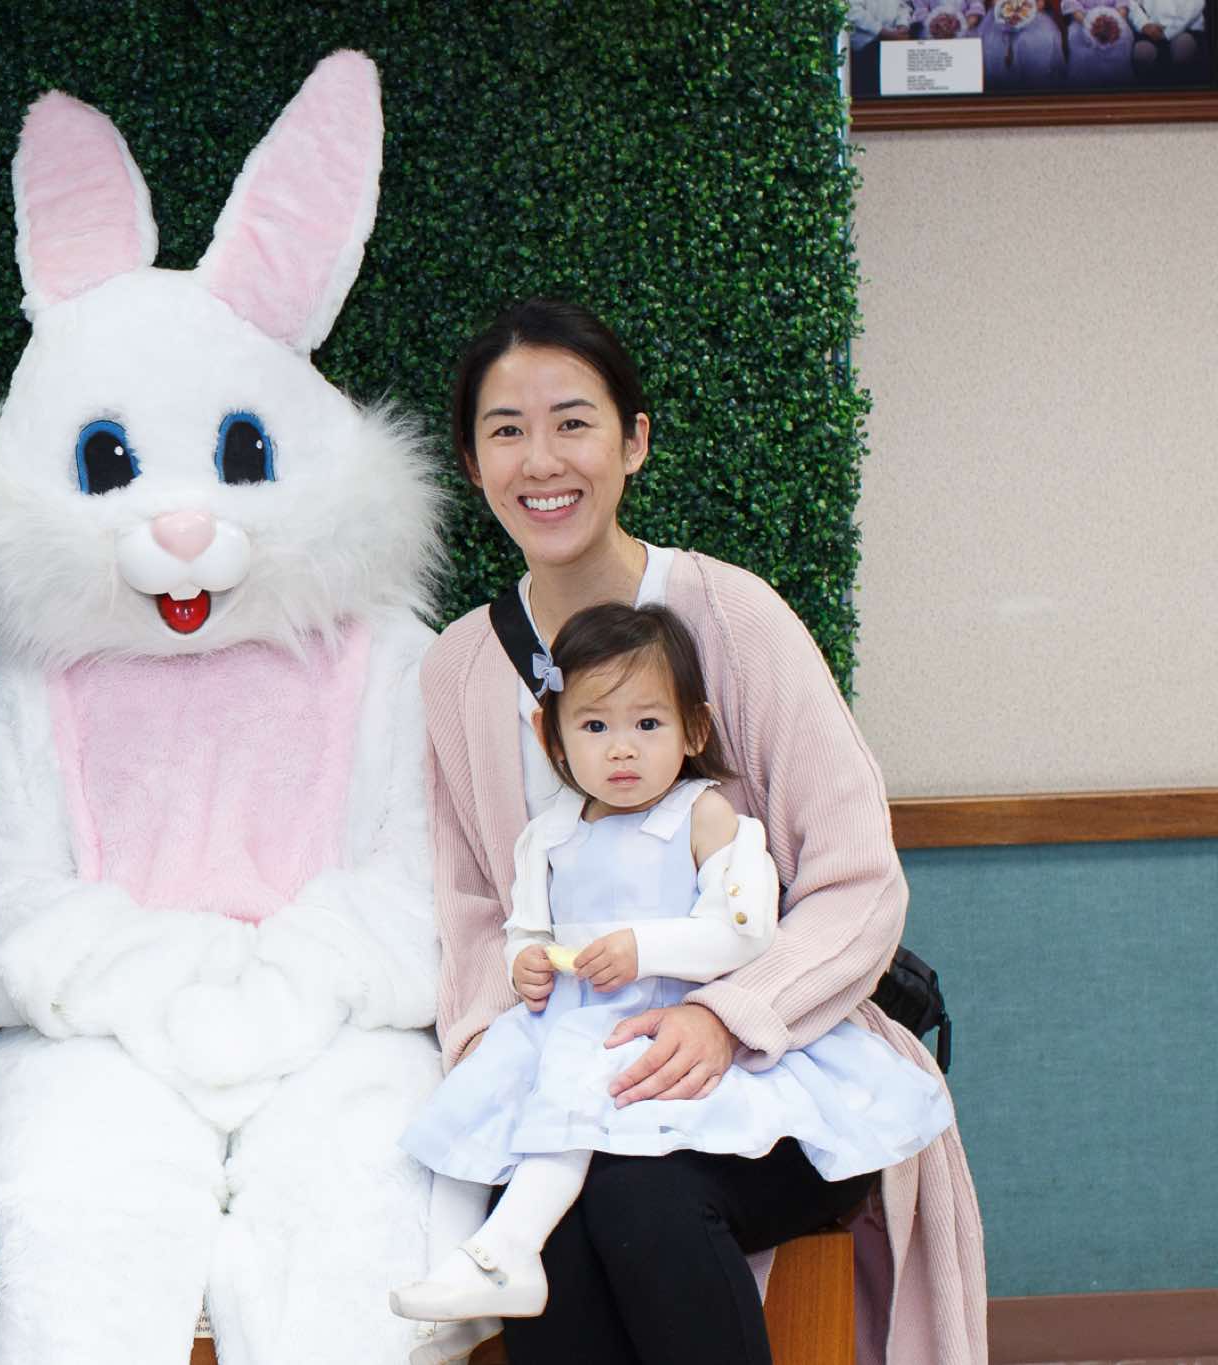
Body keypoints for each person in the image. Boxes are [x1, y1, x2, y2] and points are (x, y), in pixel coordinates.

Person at [421, 298, 986, 1364]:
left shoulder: (731, 616)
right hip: (575, 1070)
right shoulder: (458, 667)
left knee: (636, 1199)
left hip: (767, 1067)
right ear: (472, 462)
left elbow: (858, 881)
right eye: (505, 430)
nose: (540, 460)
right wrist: (502, 1055)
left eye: (572, 422)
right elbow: (472, 905)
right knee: (546, 1220)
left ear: (633, 440)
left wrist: (725, 1017)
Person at [391, 602, 952, 1327]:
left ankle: (504, 1254)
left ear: (695, 729)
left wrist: (644, 949)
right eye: (595, 726)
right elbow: (524, 922)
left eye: (648, 724)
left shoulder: (705, 817)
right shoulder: (548, 837)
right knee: (467, 1125)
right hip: (569, 1024)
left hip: (666, 1023)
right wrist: (524, 958)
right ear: (551, 735)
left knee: (580, 1134)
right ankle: (458, 1276)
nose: (622, 749)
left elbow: (744, 932)